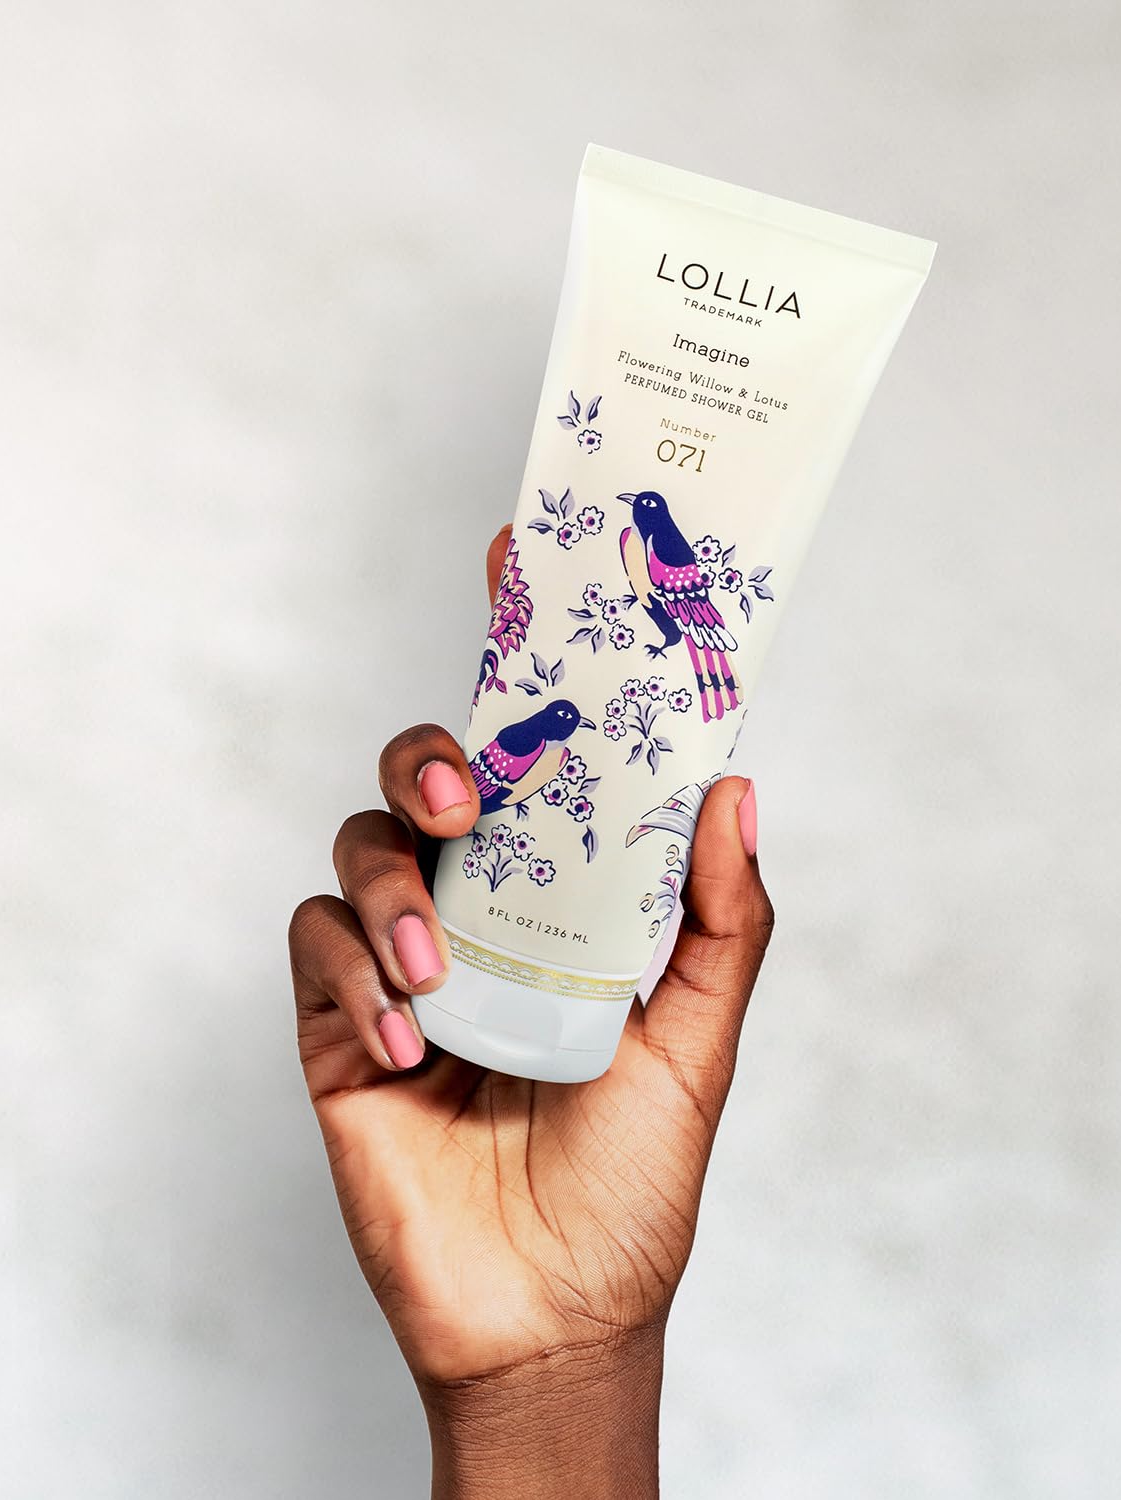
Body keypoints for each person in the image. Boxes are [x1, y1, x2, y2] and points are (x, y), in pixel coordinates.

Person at [288, 526, 774, 1499]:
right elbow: (510, 779)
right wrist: (536, 1385)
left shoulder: (641, 566)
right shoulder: (632, 566)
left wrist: (566, 1371)